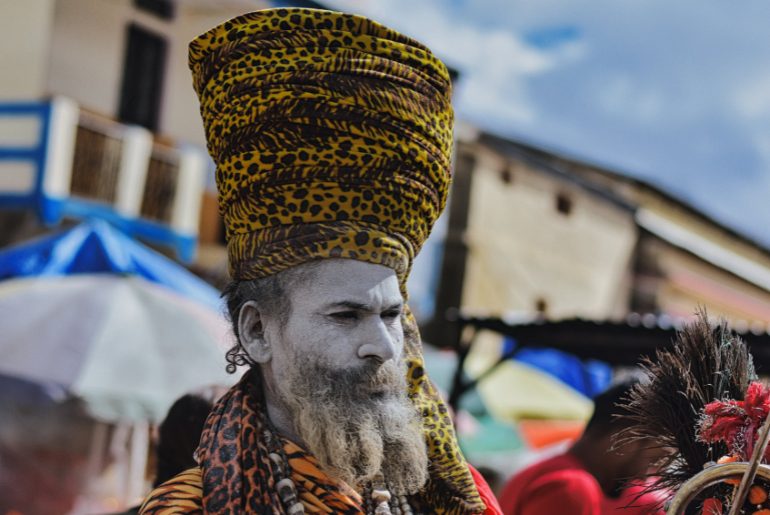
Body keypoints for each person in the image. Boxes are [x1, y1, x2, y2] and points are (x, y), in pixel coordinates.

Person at [140, 7, 501, 514]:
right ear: (258, 332)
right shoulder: (195, 507)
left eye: (393, 316)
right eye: (346, 315)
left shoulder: (439, 499)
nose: (381, 347)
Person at [499, 379, 665, 515]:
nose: (645, 477)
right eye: (654, 460)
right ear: (628, 437)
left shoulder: (553, 473)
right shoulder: (571, 486)